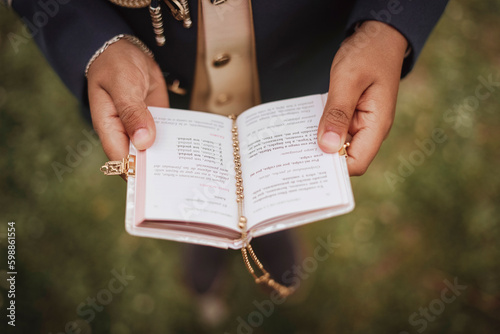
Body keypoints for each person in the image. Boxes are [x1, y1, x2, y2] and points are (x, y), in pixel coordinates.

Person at [7, 0, 448, 299]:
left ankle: (272, 240)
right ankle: (206, 263)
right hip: (165, 98)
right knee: (196, 214)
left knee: (278, 203)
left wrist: (389, 25)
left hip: (302, 81)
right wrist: (95, 41)